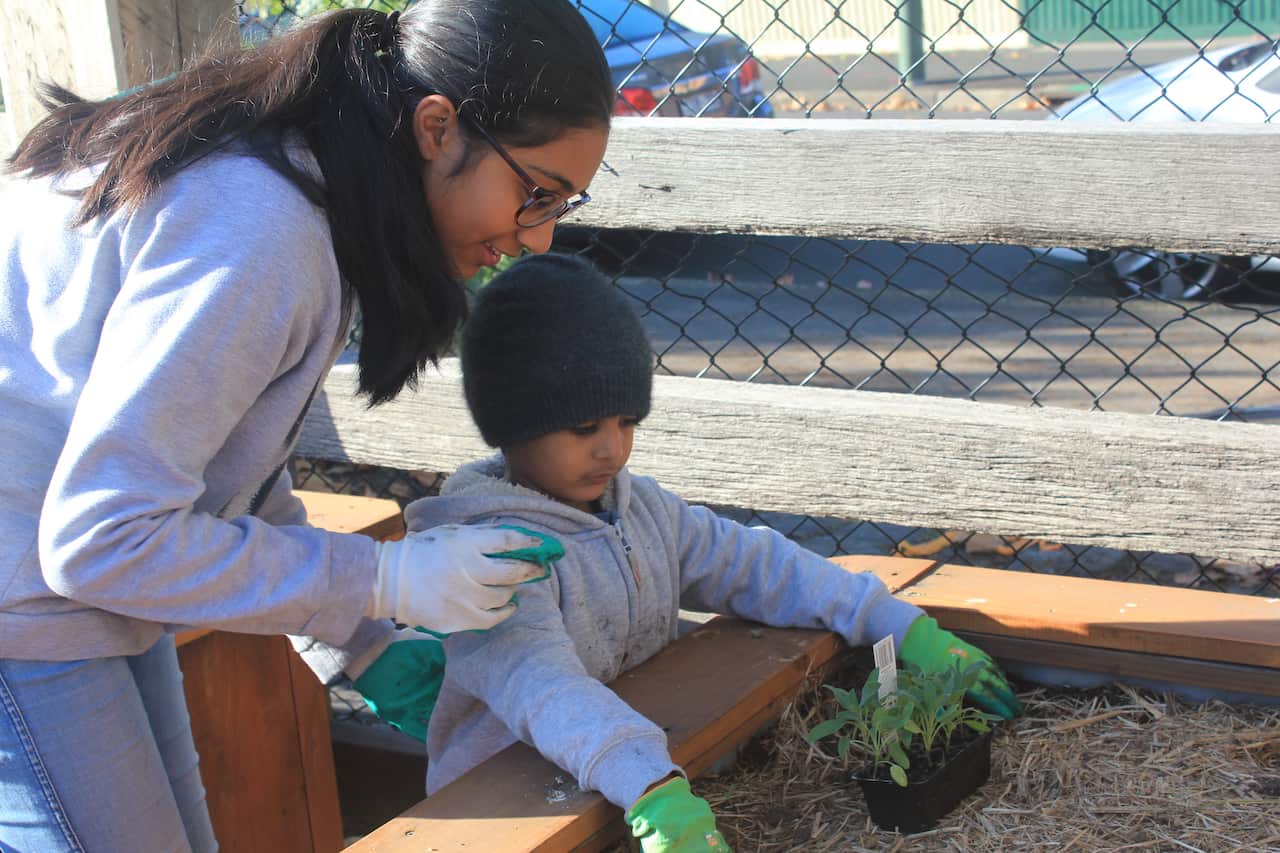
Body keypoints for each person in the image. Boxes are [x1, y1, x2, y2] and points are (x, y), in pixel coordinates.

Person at [0, 2, 613, 849]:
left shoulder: (315, 184)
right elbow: (102, 538)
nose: (540, 237)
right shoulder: (264, 226)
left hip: (63, 566)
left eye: (563, 203)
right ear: (437, 127)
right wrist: (382, 579)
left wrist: (361, 637)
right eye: (534, 192)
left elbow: (215, 466)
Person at [405, 253, 1023, 852]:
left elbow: (753, 563)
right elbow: (543, 687)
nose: (612, 450)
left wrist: (896, 624)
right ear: (509, 425)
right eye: (584, 428)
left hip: (622, 779)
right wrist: (651, 787)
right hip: (505, 808)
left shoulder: (639, 507)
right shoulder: (481, 558)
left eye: (627, 422)